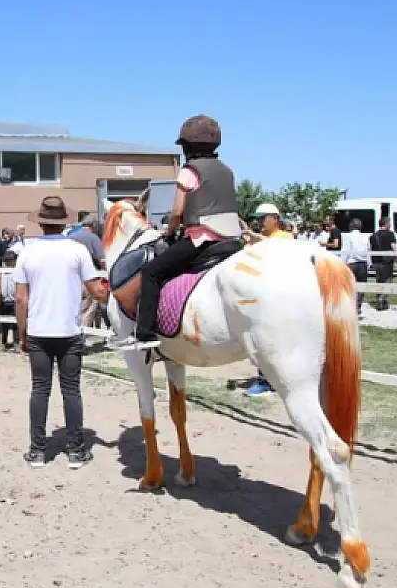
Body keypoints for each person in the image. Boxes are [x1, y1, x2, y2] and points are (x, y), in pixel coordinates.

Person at [114, 114, 242, 349]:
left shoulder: (189, 171)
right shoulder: (227, 171)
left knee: (152, 272)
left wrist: (168, 231)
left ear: (188, 147)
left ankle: (145, 334)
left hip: (201, 240)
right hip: (233, 240)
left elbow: (177, 211)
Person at [14, 196, 109, 469]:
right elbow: (96, 292)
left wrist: (23, 334)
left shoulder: (27, 252)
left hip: (39, 332)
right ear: (63, 221)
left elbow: (21, 299)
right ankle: (77, 451)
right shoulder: (77, 251)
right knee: (71, 391)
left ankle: (37, 450)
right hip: (69, 331)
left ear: (41, 222)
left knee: (39, 390)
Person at [237, 203, 292, 397]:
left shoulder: (284, 237)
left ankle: (267, 380)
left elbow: (277, 247)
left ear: (275, 219)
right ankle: (267, 378)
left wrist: (254, 237)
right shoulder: (261, 239)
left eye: (263, 218)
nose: (260, 222)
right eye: (258, 219)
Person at [340, 218, 371, 315]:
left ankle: (349, 306)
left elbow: (345, 251)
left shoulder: (347, 236)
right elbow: (368, 251)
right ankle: (358, 307)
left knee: (349, 286)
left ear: (351, 226)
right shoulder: (365, 237)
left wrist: (342, 263)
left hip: (352, 263)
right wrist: (369, 263)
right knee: (361, 287)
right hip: (363, 263)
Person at [369, 217, 397, 311]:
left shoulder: (373, 235)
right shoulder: (390, 234)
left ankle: (379, 298)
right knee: (388, 280)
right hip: (386, 261)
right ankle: (382, 299)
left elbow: (370, 248)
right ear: (387, 224)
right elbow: (393, 247)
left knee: (379, 279)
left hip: (376, 261)